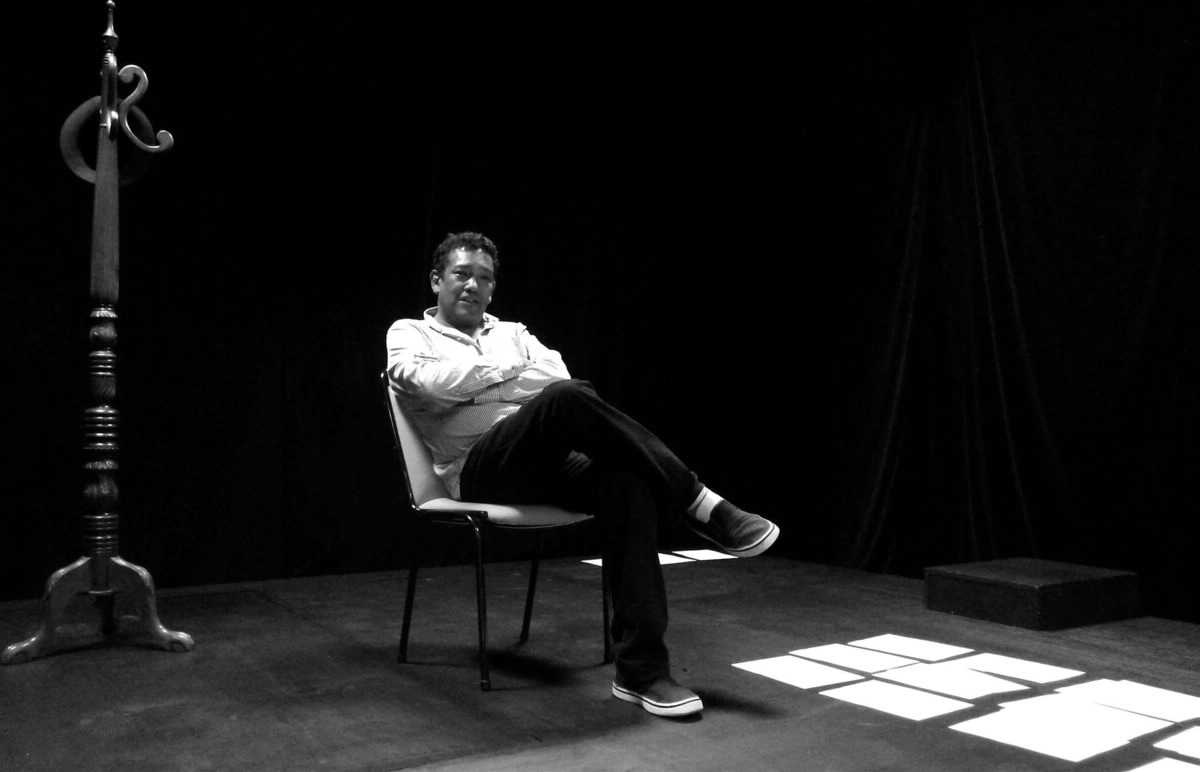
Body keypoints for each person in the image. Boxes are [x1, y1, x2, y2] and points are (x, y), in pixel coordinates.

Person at [385, 231, 779, 718]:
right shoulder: (409, 333)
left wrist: (476, 381)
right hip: (479, 469)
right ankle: (699, 503)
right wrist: (509, 373)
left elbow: (555, 374)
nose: (473, 285)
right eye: (462, 274)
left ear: (493, 288)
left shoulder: (514, 331)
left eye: (484, 278)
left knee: (626, 485)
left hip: (545, 459)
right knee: (566, 401)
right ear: (436, 280)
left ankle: (641, 671)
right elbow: (423, 383)